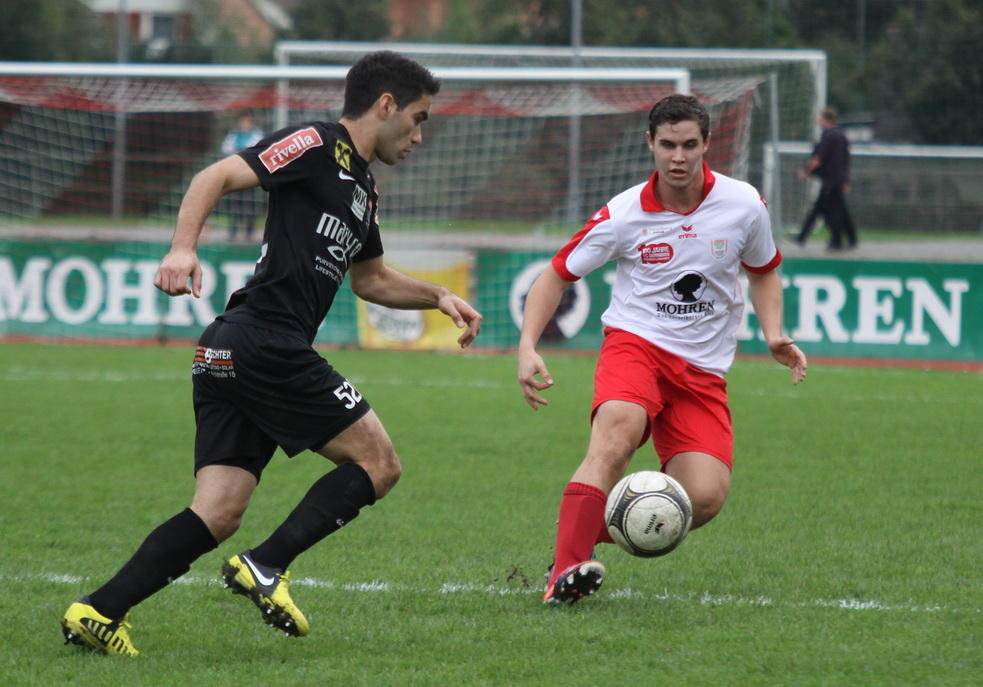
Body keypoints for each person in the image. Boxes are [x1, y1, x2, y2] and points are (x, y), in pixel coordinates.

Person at [61, 51, 482, 656]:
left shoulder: (364, 188)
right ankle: (266, 565)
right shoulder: (316, 143)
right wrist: (182, 249)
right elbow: (213, 177)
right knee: (379, 464)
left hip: (231, 351)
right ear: (386, 105)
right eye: (418, 119)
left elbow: (371, 280)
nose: (418, 136)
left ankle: (98, 611)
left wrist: (438, 295)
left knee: (217, 512)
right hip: (266, 341)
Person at [517, 94, 807, 605]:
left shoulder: (744, 204)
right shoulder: (623, 214)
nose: (678, 157)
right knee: (616, 439)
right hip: (636, 347)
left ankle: (582, 536)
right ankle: (563, 575)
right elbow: (556, 275)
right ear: (650, 143)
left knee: (705, 498)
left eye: (689, 145)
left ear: (707, 144)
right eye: (668, 145)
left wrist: (773, 334)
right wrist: (527, 345)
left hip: (703, 370)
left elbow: (763, 271)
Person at [796, 106, 858, 249]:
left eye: (820, 119)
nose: (818, 122)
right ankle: (851, 239)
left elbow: (818, 159)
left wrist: (806, 171)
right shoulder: (842, 136)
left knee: (829, 211)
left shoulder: (829, 136)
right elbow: (845, 160)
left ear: (826, 120)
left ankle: (836, 241)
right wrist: (845, 180)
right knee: (836, 209)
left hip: (830, 181)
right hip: (838, 180)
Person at [220, 111, 265, 241]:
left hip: (250, 174)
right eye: (243, 121)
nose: (245, 124)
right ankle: (233, 232)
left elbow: (255, 149)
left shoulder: (257, 134)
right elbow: (226, 148)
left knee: (249, 204)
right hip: (235, 174)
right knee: (235, 204)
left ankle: (249, 232)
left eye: (247, 121)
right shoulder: (234, 135)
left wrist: (240, 151)